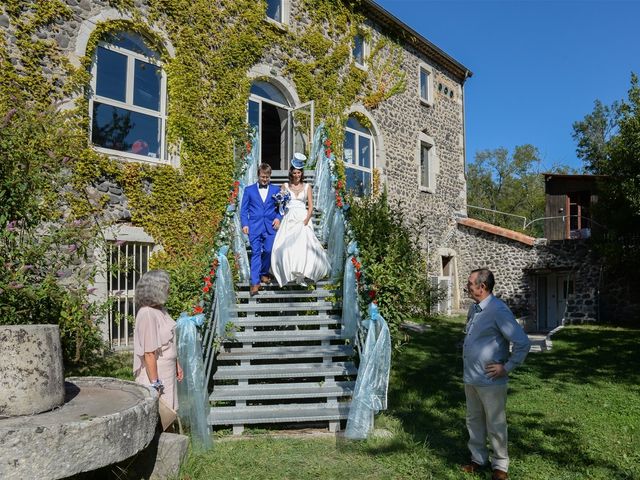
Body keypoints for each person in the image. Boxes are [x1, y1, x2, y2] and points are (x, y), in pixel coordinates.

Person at [461, 268, 531, 480]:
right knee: (473, 420)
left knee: (495, 423)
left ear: (482, 287)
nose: (467, 286)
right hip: (471, 378)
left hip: (491, 380)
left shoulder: (498, 310)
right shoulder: (475, 309)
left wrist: (506, 367)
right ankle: (478, 458)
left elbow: (522, 342)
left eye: (470, 283)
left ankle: (500, 466)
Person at [271, 154, 330, 287]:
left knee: (304, 246)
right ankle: (289, 271)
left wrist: (306, 220)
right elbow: (281, 205)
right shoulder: (285, 186)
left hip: (303, 218)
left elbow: (310, 206)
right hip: (289, 217)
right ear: (291, 172)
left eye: (299, 173)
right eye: (295, 172)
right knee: (286, 246)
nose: (297, 175)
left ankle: (302, 274)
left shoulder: (307, 186)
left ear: (301, 173)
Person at [133, 270, 183, 415]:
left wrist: (176, 363)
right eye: (166, 286)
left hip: (167, 371)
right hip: (157, 373)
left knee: (169, 413)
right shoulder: (147, 313)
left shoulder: (160, 309)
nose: (169, 289)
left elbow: (168, 341)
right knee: (161, 414)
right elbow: (149, 353)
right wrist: (155, 383)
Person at [240, 162, 282, 296]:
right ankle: (255, 283)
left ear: (270, 177)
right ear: (258, 175)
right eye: (263, 177)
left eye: (267, 177)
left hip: (270, 226)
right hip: (254, 226)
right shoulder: (249, 190)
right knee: (256, 253)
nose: (265, 179)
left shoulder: (276, 190)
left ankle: (264, 272)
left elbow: (281, 208)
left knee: (269, 251)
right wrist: (245, 224)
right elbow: (243, 210)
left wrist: (278, 218)